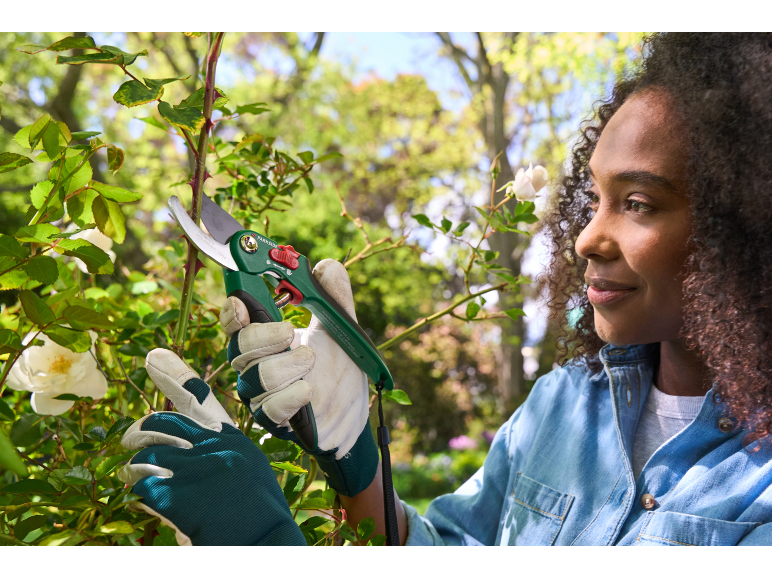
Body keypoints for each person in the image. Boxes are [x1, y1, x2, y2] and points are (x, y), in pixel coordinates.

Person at [118, 32, 772, 545]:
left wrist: (261, 542)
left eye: (636, 202)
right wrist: (357, 460)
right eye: (594, 197)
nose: (585, 238)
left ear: (745, 219)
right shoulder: (563, 406)